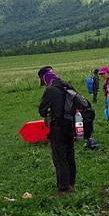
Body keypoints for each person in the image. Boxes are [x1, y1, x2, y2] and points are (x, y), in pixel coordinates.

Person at [38, 66, 90, 195]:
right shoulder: (67, 86)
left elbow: (42, 111)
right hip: (71, 127)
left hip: (58, 129)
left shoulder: (51, 90)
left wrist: (50, 111)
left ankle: (63, 188)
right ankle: (71, 184)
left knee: (60, 158)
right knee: (70, 156)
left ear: (45, 79)